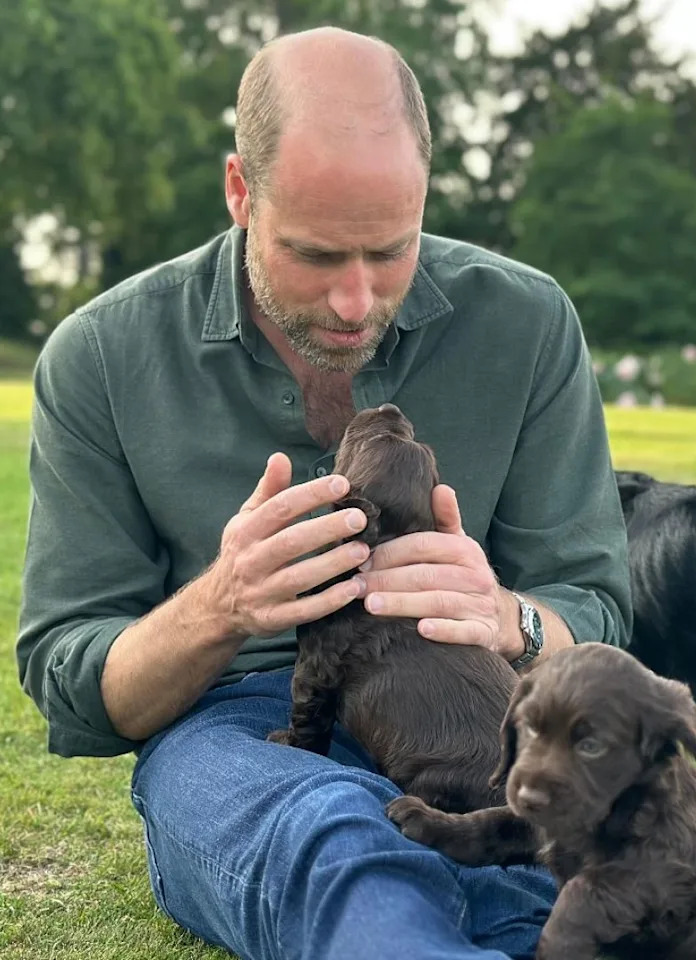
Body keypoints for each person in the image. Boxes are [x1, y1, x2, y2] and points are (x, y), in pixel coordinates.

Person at [16, 26, 632, 960]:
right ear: (239, 192)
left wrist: (514, 620)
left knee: (553, 887)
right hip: (245, 725)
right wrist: (218, 609)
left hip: (475, 712)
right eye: (314, 255)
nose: (355, 301)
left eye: (390, 252)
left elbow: (598, 606)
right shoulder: (101, 357)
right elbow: (72, 679)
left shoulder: (529, 321)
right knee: (334, 846)